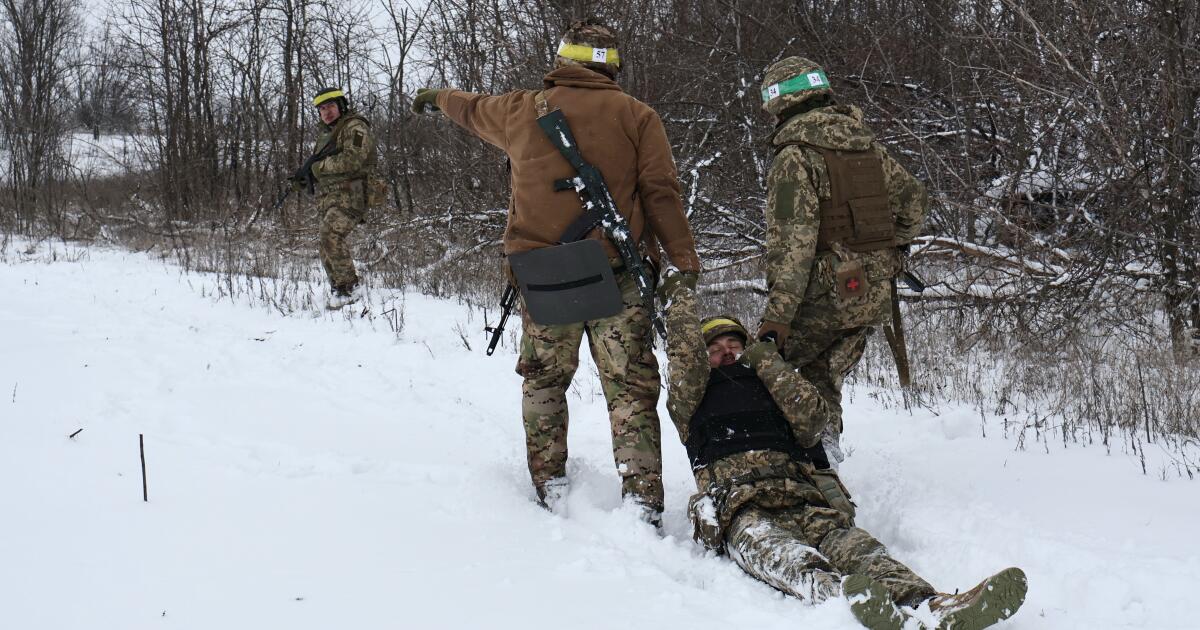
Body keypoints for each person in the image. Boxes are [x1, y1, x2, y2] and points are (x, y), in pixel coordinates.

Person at [410, 19, 701, 524]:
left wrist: (437, 96)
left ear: (563, 59)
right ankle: (641, 503)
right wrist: (684, 262)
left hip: (544, 278)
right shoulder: (637, 115)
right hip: (617, 277)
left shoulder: (519, 109)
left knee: (544, 381)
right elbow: (660, 194)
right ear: (610, 65)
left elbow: (469, 107)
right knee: (629, 388)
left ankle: (550, 486)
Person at [657, 270, 1027, 630]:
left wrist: (768, 360)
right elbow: (685, 360)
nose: (727, 354)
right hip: (741, 508)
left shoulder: (773, 387)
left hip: (803, 498)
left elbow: (813, 419)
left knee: (862, 552)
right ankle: (859, 609)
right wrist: (680, 294)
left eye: (734, 346)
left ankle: (930, 605)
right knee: (794, 562)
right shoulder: (692, 399)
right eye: (716, 350)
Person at [753, 57, 928, 445]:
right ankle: (826, 454)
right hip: (871, 291)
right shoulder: (867, 146)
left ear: (777, 103)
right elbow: (915, 201)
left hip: (822, 294)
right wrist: (893, 247)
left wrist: (777, 318)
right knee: (825, 375)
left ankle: (782, 460)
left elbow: (792, 246)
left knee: (763, 371)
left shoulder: (794, 157)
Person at [292, 87, 379, 310]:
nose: (326, 112)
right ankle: (338, 288)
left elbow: (353, 159)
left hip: (354, 193)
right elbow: (326, 167)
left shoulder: (355, 127)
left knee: (330, 234)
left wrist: (317, 168)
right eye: (322, 109)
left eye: (330, 106)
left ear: (341, 105)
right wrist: (306, 177)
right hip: (332, 196)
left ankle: (349, 288)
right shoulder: (326, 135)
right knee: (324, 242)